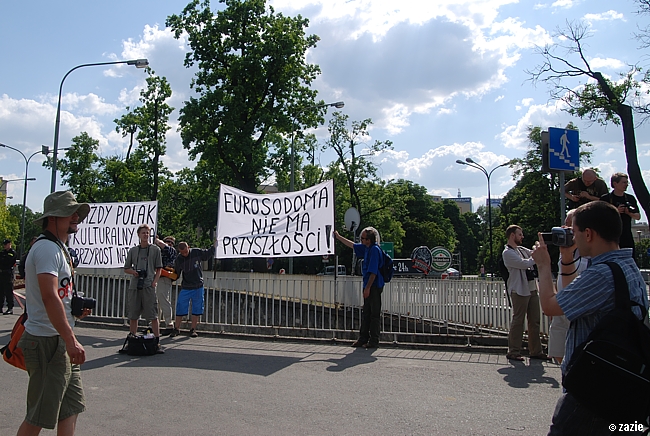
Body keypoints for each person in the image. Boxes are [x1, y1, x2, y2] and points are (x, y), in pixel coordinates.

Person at [532, 201, 648, 435]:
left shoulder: (601, 274)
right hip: (619, 379)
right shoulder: (626, 265)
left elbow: (551, 306)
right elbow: (571, 296)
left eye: (574, 231)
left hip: (591, 388)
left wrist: (543, 266)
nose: (572, 237)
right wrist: (567, 257)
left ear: (588, 234)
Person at [16, 191, 91, 435]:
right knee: (39, 415)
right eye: (70, 212)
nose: (76, 217)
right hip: (47, 341)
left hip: (58, 338)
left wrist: (73, 312)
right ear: (52, 218)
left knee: (70, 408)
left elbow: (57, 295)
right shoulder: (47, 249)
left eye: (77, 212)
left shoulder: (58, 247)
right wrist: (70, 340)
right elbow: (49, 296)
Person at [546, 210, 589, 364]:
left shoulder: (589, 252)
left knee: (575, 356)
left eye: (570, 226)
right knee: (558, 352)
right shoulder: (565, 249)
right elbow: (561, 276)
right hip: (561, 306)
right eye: (565, 224)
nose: (566, 229)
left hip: (576, 308)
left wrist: (543, 266)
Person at [502, 225, 548, 361]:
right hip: (519, 290)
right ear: (512, 235)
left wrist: (539, 247)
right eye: (520, 234)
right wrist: (536, 257)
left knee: (535, 320)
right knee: (518, 320)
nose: (522, 237)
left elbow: (533, 253)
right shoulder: (507, 253)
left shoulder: (521, 249)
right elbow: (524, 264)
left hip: (531, 288)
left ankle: (535, 351)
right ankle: (513, 351)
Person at [334, 227, 385, 349]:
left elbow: (373, 272)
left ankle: (374, 340)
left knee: (374, 314)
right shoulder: (366, 248)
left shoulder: (374, 250)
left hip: (373, 285)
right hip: (368, 285)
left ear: (369, 240)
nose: (361, 240)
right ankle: (363, 338)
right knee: (366, 312)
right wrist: (338, 237)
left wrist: (367, 288)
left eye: (363, 238)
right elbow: (353, 245)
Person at [124, 224, 164, 353]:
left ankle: (157, 342)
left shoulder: (155, 250)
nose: (146, 235)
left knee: (153, 314)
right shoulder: (133, 251)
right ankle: (132, 340)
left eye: (147, 233)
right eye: (143, 233)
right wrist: (134, 272)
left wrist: (154, 282)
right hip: (135, 285)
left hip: (148, 285)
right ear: (138, 235)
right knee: (133, 315)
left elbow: (159, 268)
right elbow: (126, 268)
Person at [169, 241, 216, 338]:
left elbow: (207, 255)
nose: (184, 254)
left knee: (197, 308)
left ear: (188, 247)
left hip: (198, 285)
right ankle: (177, 328)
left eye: (186, 252)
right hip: (186, 286)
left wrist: (214, 246)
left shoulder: (196, 252)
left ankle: (193, 329)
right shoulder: (179, 259)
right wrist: (170, 277)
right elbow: (177, 273)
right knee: (180, 306)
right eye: (182, 253)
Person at [600, 172, 640, 257]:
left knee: (629, 259)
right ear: (615, 183)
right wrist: (615, 211)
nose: (626, 185)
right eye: (624, 182)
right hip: (610, 236)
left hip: (626, 235)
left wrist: (628, 212)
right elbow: (600, 217)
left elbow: (638, 216)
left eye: (627, 182)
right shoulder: (605, 198)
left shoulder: (630, 198)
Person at [154, 235, 177, 331]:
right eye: (168, 241)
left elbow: (161, 244)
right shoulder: (158, 251)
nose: (170, 243)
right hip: (157, 277)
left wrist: (155, 239)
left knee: (163, 300)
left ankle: (169, 324)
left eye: (172, 242)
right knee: (156, 302)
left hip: (164, 278)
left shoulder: (171, 250)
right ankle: (154, 324)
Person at [0, 238, 17, 314]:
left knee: (8, 291)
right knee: (1, 291)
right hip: (1, 273)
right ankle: (0, 307)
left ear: (10, 244)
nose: (5, 246)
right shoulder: (2, 252)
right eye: (4, 244)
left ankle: (10, 307)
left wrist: (3, 259)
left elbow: (8, 261)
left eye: (6, 244)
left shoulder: (12, 253)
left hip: (8, 274)